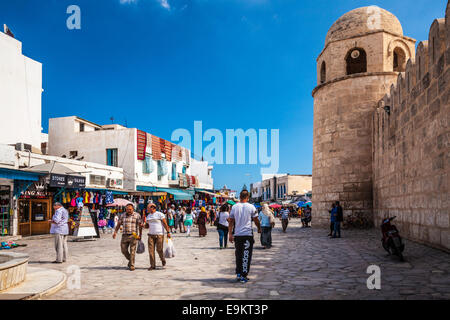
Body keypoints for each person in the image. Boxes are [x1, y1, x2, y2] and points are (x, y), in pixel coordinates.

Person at [228, 190, 261, 283]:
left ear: (240, 196)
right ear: (248, 197)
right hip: (247, 235)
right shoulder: (251, 207)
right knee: (246, 255)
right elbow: (256, 219)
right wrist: (259, 228)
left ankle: (238, 273)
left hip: (237, 235)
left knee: (238, 254)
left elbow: (231, 221)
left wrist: (230, 234)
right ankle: (243, 275)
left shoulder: (234, 207)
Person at [113, 204, 142, 271]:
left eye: (130, 209)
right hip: (124, 235)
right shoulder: (122, 215)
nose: (128, 211)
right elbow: (119, 224)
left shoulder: (137, 215)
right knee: (123, 250)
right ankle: (131, 260)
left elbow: (140, 226)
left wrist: (140, 235)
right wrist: (115, 232)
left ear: (133, 209)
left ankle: (132, 265)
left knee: (132, 251)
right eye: (127, 209)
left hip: (133, 235)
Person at [146, 203, 171, 270]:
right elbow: (147, 226)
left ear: (153, 207)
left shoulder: (160, 214)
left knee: (159, 249)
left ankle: (162, 259)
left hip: (159, 234)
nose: (147, 209)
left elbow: (165, 224)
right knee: (151, 250)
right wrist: (143, 225)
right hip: (151, 235)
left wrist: (168, 232)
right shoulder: (148, 216)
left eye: (148, 207)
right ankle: (152, 265)